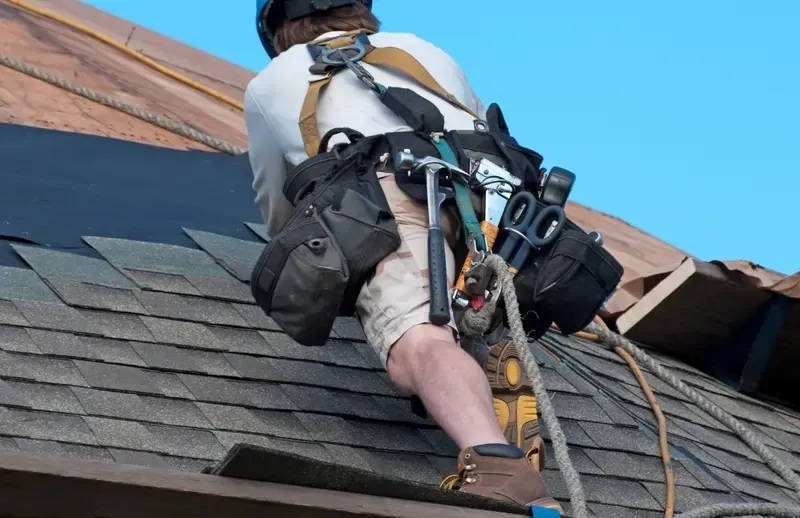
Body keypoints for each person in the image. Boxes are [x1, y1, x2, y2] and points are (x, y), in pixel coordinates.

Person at [244, 0, 560, 510]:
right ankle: (488, 368)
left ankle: (498, 464)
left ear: (277, 29)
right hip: (492, 201)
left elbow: (280, 210)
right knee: (469, 305)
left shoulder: (273, 81)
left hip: (392, 196)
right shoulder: (422, 50)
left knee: (416, 342)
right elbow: (481, 130)